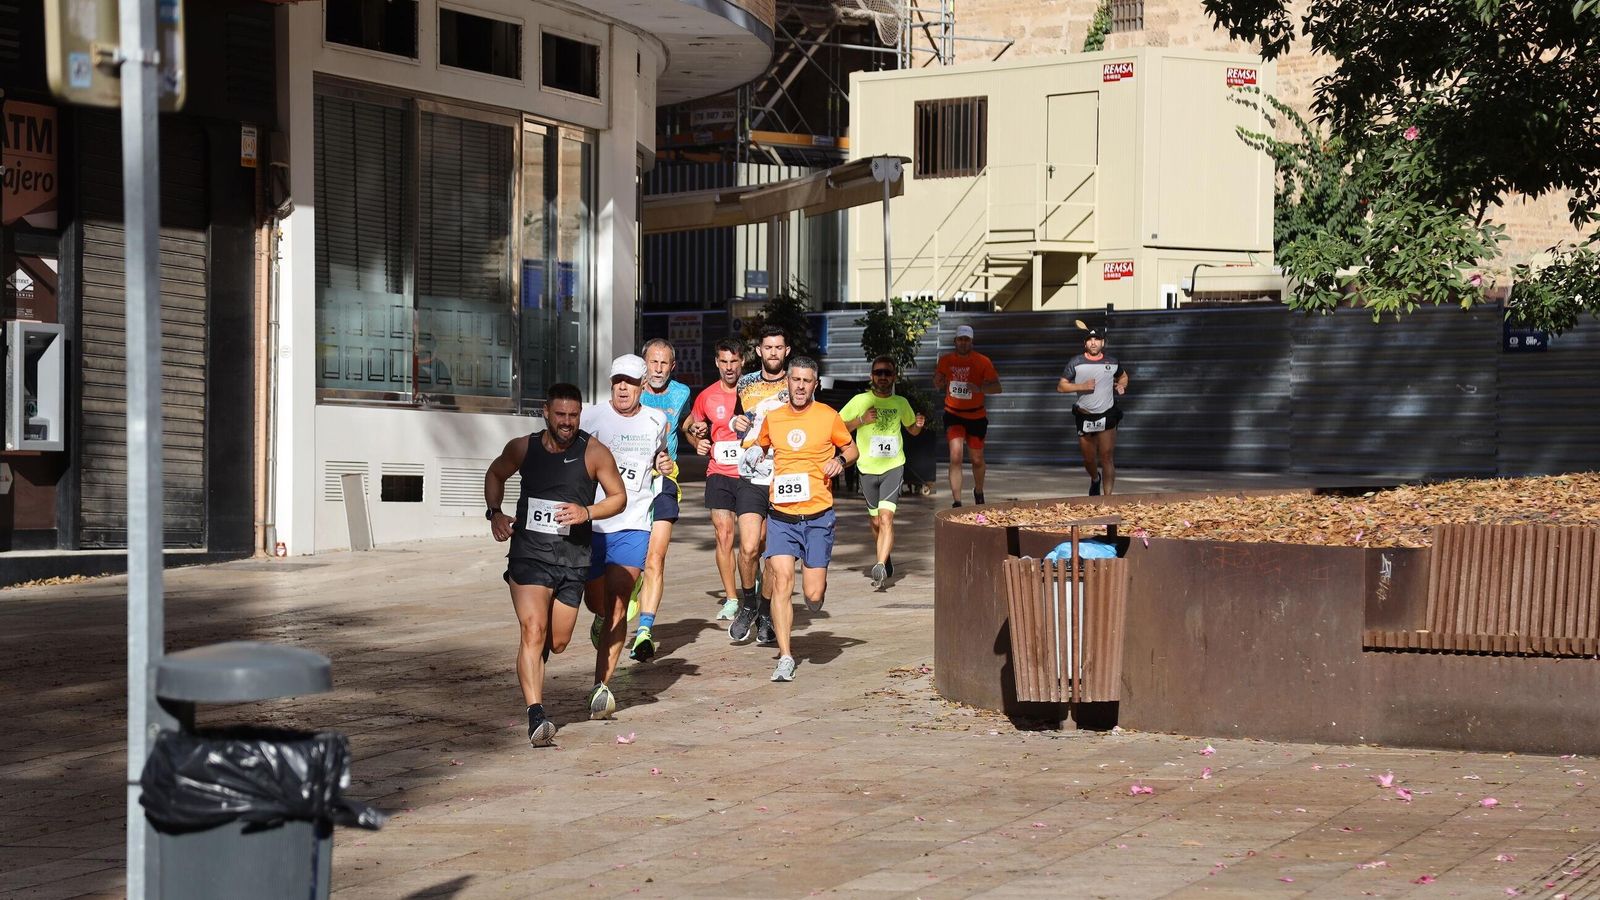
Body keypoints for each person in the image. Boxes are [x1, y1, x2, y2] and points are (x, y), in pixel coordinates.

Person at [485, 383, 628, 747]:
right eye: (561, 415)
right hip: (529, 553)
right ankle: (536, 713)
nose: (567, 422)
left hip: (572, 559)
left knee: (558, 641)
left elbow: (619, 498)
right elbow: (495, 474)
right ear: (545, 412)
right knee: (532, 629)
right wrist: (495, 513)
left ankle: (535, 664)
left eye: (574, 416)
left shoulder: (594, 452)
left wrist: (587, 512)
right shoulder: (523, 448)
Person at [752, 356, 858, 682]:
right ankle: (785, 656)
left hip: (817, 516)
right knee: (783, 580)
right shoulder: (774, 417)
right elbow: (760, 447)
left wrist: (840, 460)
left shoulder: (828, 417)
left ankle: (816, 595)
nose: (799, 386)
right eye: (795, 380)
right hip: (781, 516)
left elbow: (852, 449)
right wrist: (754, 455)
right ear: (788, 382)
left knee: (812, 594)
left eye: (806, 381)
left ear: (816, 384)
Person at [581, 355, 672, 719]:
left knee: (619, 603)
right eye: (618, 380)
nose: (623, 387)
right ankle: (599, 616)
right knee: (596, 602)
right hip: (591, 525)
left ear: (643, 386)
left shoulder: (657, 420)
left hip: (633, 523)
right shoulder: (590, 417)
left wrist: (663, 464)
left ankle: (601, 686)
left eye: (630, 382)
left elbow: (660, 456)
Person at [727, 325, 791, 645]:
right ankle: (748, 604)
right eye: (768, 348)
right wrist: (735, 423)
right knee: (749, 546)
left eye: (779, 348)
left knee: (770, 549)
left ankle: (766, 611)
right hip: (752, 472)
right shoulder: (746, 383)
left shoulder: (797, 382)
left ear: (786, 351)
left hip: (784, 475)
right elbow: (737, 420)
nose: (773, 353)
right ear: (759, 351)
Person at [840, 356, 925, 587]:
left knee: (886, 517)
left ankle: (879, 564)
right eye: (879, 373)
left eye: (888, 373)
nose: (883, 377)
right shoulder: (861, 400)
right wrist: (861, 420)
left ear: (894, 377)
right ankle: (885, 555)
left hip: (893, 466)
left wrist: (917, 425)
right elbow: (836, 427)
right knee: (876, 521)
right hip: (867, 468)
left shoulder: (901, 402)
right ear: (871, 376)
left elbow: (912, 430)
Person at [632, 339, 692, 662]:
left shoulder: (681, 393)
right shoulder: (630, 392)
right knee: (627, 563)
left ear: (672, 367)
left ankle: (644, 631)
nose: (657, 369)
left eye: (663, 363)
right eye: (652, 362)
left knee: (655, 558)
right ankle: (611, 612)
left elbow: (686, 422)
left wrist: (695, 430)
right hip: (629, 486)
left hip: (664, 481)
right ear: (644, 364)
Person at [686, 338, 747, 620]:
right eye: (723, 362)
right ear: (716, 363)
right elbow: (690, 427)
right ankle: (733, 598)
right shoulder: (706, 396)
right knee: (724, 535)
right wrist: (695, 441)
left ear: (743, 361)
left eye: (734, 361)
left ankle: (754, 585)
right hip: (719, 472)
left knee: (754, 542)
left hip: (751, 474)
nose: (729, 367)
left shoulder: (753, 392)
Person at [934, 324, 1003, 507]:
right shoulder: (945, 360)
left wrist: (980, 388)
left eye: (967, 340)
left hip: (976, 415)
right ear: (955, 341)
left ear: (971, 342)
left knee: (977, 459)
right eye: (960, 339)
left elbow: (997, 387)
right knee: (955, 455)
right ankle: (957, 501)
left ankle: (978, 490)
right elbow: (938, 382)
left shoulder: (982, 361)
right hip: (953, 414)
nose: (963, 343)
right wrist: (939, 382)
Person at [1057, 325, 1130, 496]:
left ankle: (1107, 499)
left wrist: (1121, 384)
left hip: (1107, 414)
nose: (1093, 342)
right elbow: (1061, 387)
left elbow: (1124, 376)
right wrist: (1081, 386)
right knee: (1089, 459)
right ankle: (1095, 478)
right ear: (1085, 344)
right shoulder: (1076, 362)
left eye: (1097, 339)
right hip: (1085, 416)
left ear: (1102, 342)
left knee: (1107, 457)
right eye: (1090, 340)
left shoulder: (1112, 362)